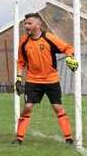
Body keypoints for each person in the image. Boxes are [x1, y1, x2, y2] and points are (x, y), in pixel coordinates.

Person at [13, 13, 79, 145]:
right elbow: (21, 62)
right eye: (25, 23)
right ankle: (19, 138)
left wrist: (70, 57)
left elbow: (67, 48)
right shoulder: (24, 41)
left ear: (39, 25)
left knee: (57, 107)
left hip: (51, 80)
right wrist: (19, 78)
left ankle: (68, 138)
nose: (26, 26)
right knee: (27, 107)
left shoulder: (49, 37)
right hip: (33, 80)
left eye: (29, 23)